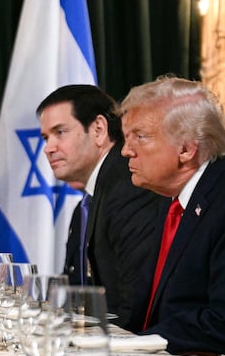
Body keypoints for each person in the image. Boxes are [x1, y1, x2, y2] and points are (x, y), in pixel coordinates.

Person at [120, 76, 225, 355]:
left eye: (139, 137)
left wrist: (139, 344)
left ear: (186, 149)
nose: (125, 150)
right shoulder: (171, 198)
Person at [38, 85, 161, 330]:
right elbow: (72, 295)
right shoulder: (84, 206)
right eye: (45, 138)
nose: (48, 148)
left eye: (60, 132)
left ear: (98, 130)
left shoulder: (129, 186)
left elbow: (133, 307)